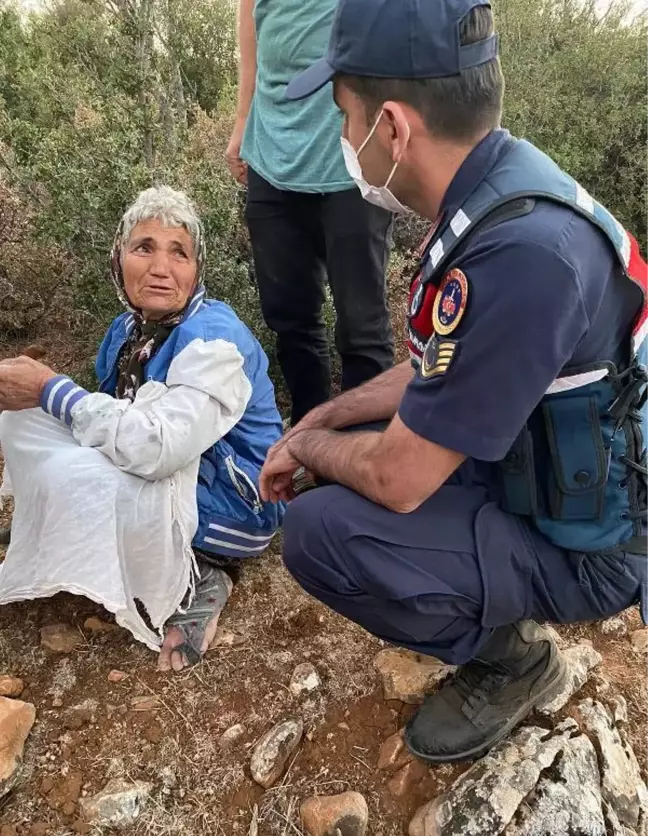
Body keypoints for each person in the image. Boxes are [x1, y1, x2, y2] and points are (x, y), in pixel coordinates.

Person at [258, 0, 648, 764]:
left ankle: (516, 660)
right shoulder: (502, 185)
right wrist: (330, 418)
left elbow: (400, 480)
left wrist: (308, 444)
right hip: (547, 468)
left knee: (320, 533)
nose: (343, 140)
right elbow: (445, 359)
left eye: (344, 117)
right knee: (350, 452)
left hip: (599, 548)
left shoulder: (524, 254)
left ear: (394, 128)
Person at [0, 186, 283, 672]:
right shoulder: (127, 331)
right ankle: (62, 517)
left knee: (76, 454)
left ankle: (204, 573)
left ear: (197, 272)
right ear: (119, 259)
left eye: (180, 253)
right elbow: (114, 417)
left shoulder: (216, 341)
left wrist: (51, 387)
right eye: (144, 247)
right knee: (26, 419)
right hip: (180, 473)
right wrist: (46, 399)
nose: (161, 267)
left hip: (237, 505)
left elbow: (156, 447)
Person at [225, 0, 394, 427]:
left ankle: (363, 451)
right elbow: (252, 13)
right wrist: (243, 116)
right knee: (290, 321)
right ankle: (308, 442)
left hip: (352, 155)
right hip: (271, 149)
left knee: (362, 328)